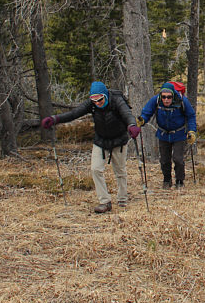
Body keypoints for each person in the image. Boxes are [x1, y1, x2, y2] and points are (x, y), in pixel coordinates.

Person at [42, 81, 141, 213]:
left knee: (120, 171)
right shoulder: (92, 104)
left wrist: (132, 126)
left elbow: (127, 114)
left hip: (118, 141)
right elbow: (74, 114)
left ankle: (122, 199)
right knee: (95, 169)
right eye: (94, 100)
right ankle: (105, 202)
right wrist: (55, 119)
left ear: (105, 95)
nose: (97, 103)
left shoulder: (116, 101)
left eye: (99, 99)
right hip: (100, 140)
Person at [137, 82, 197, 189]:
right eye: (163, 97)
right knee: (164, 159)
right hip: (163, 134)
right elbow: (147, 113)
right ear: (160, 96)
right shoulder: (155, 100)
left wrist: (192, 131)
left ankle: (179, 181)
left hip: (179, 134)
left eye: (169, 97)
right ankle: (167, 180)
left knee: (178, 159)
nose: (166, 100)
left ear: (173, 95)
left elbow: (191, 115)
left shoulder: (182, 101)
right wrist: (142, 120)